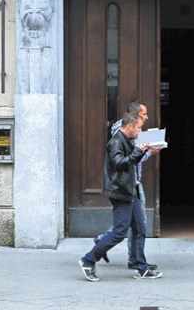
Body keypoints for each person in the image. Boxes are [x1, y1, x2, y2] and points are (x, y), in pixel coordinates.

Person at [79, 112, 162, 281]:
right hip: (121, 192)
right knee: (119, 231)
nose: (140, 131)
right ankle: (88, 260)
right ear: (130, 126)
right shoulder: (116, 141)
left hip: (132, 190)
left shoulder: (127, 139)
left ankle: (141, 267)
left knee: (139, 229)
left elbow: (130, 160)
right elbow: (119, 163)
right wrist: (138, 151)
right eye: (138, 127)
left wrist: (141, 151)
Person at [94, 100, 160, 269]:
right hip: (126, 186)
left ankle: (136, 261)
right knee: (130, 226)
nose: (146, 118)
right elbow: (125, 161)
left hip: (133, 183)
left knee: (136, 225)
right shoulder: (122, 135)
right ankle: (100, 250)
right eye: (144, 114)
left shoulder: (129, 132)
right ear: (133, 118)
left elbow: (133, 160)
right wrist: (145, 152)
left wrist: (147, 152)